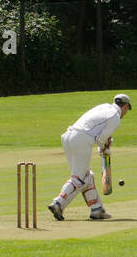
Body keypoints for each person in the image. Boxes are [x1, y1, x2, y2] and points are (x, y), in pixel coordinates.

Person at [48, 93, 131, 221]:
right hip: (81, 138)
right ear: (125, 107)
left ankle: (97, 209)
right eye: (127, 110)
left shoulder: (104, 107)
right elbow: (101, 139)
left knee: (87, 176)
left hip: (68, 137)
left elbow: (100, 135)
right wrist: (105, 150)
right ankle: (57, 202)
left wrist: (104, 146)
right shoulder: (115, 117)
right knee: (79, 178)